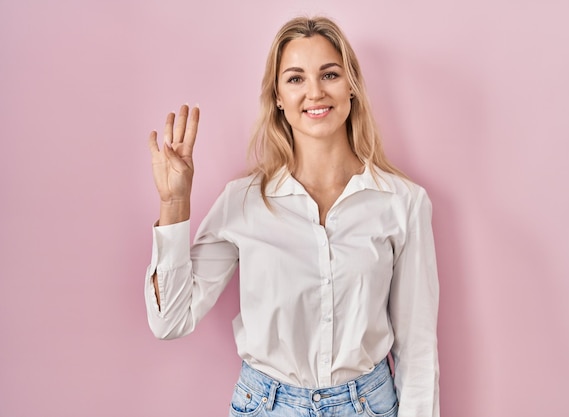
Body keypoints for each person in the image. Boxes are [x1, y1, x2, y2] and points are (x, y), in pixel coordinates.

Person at [145, 16, 439, 417]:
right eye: (296, 79)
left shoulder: (403, 203)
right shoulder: (243, 201)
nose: (315, 92)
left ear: (351, 86)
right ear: (278, 97)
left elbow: (417, 349)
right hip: (265, 406)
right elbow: (170, 321)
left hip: (368, 405)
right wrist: (174, 204)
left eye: (330, 74)